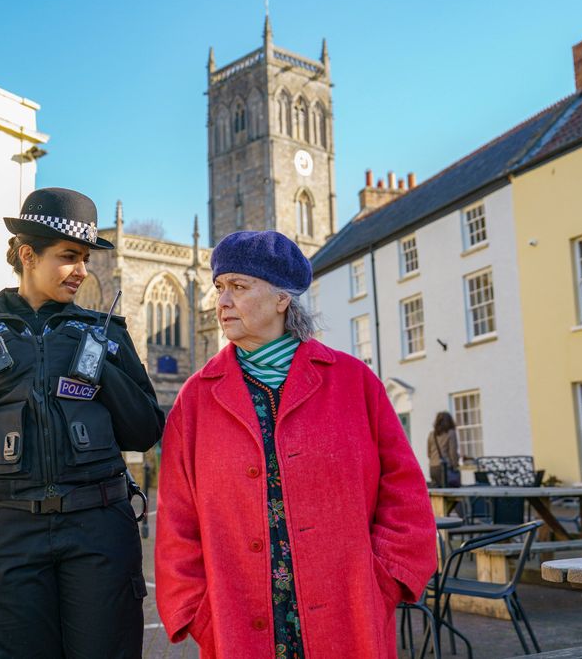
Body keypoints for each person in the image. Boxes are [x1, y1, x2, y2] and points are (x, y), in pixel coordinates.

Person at [154, 231, 437, 658]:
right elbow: (177, 519)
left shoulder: (354, 382)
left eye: (239, 286)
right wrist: (199, 613)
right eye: (219, 287)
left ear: (282, 298)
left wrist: (385, 579)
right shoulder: (195, 399)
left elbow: (404, 491)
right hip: (236, 624)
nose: (222, 300)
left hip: (349, 614)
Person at [0, 187, 165, 659]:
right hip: (6, 533)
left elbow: (146, 431)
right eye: (70, 257)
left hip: (99, 529)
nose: (82, 272)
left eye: (86, 258)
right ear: (28, 255)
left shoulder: (105, 335)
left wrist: (98, 367)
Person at [428, 411, 461, 487]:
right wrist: (455, 467)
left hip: (433, 469)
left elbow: (429, 454)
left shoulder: (431, 435)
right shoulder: (451, 433)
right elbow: (453, 453)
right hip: (445, 470)